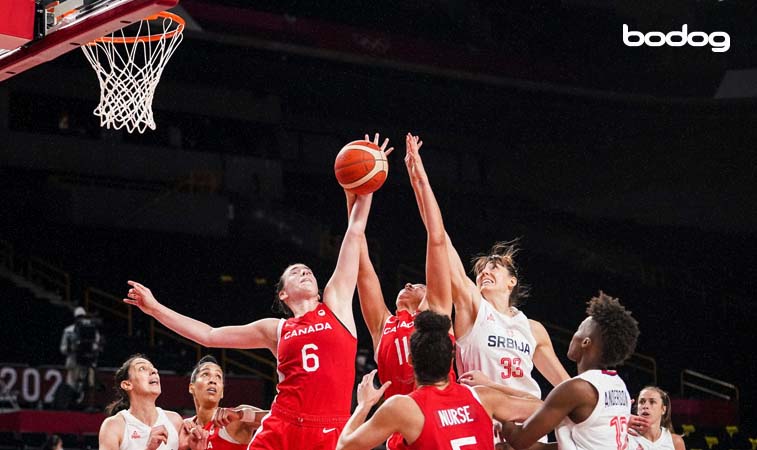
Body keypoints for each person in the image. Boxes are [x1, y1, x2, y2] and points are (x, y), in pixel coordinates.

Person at [123, 179, 376, 449]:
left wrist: (366, 187)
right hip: (284, 424)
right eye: (295, 272)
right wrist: (154, 308)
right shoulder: (275, 329)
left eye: (308, 271)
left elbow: (355, 231)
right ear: (283, 295)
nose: (304, 272)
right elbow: (209, 335)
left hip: (332, 427)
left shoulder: (335, 304)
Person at [337, 311, 542, 450]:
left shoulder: (402, 408)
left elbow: (345, 446)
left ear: (410, 360)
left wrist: (363, 405)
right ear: (450, 359)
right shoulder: (483, 397)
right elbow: (541, 406)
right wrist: (492, 385)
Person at [352, 133, 454, 401]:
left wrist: (420, 179)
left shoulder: (437, 312)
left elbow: (437, 240)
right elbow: (361, 266)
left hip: (442, 417)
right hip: (400, 430)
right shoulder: (381, 326)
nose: (408, 284)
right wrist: (357, 191)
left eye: (418, 284)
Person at [501, 291, 640, 450]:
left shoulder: (576, 389)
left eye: (578, 331)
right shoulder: (618, 385)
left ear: (585, 342)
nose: (573, 335)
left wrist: (500, 411)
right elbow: (590, 443)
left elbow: (518, 440)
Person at [98, 355, 185, 450]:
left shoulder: (175, 421)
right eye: (142, 368)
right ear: (127, 384)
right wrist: (149, 448)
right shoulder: (114, 426)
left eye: (153, 368)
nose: (154, 371)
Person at [183, 356, 267, 450]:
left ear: (222, 392)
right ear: (191, 387)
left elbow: (281, 418)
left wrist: (242, 414)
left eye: (218, 376)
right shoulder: (185, 428)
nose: (213, 380)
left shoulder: (234, 419)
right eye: (205, 374)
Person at [60, 307, 102, 390]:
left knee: (87, 386)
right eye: (79, 317)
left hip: (88, 362)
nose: (80, 319)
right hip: (73, 362)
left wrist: (92, 349)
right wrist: (71, 349)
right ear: (75, 318)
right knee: (71, 386)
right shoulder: (69, 331)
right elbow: (63, 348)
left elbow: (96, 345)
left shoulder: (92, 329)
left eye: (82, 317)